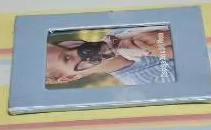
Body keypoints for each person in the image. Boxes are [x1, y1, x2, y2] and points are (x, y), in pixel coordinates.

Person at [45, 27, 175, 87]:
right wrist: (161, 46)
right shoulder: (146, 84)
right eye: (67, 58)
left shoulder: (122, 28)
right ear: (70, 77)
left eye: (63, 44)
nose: (79, 49)